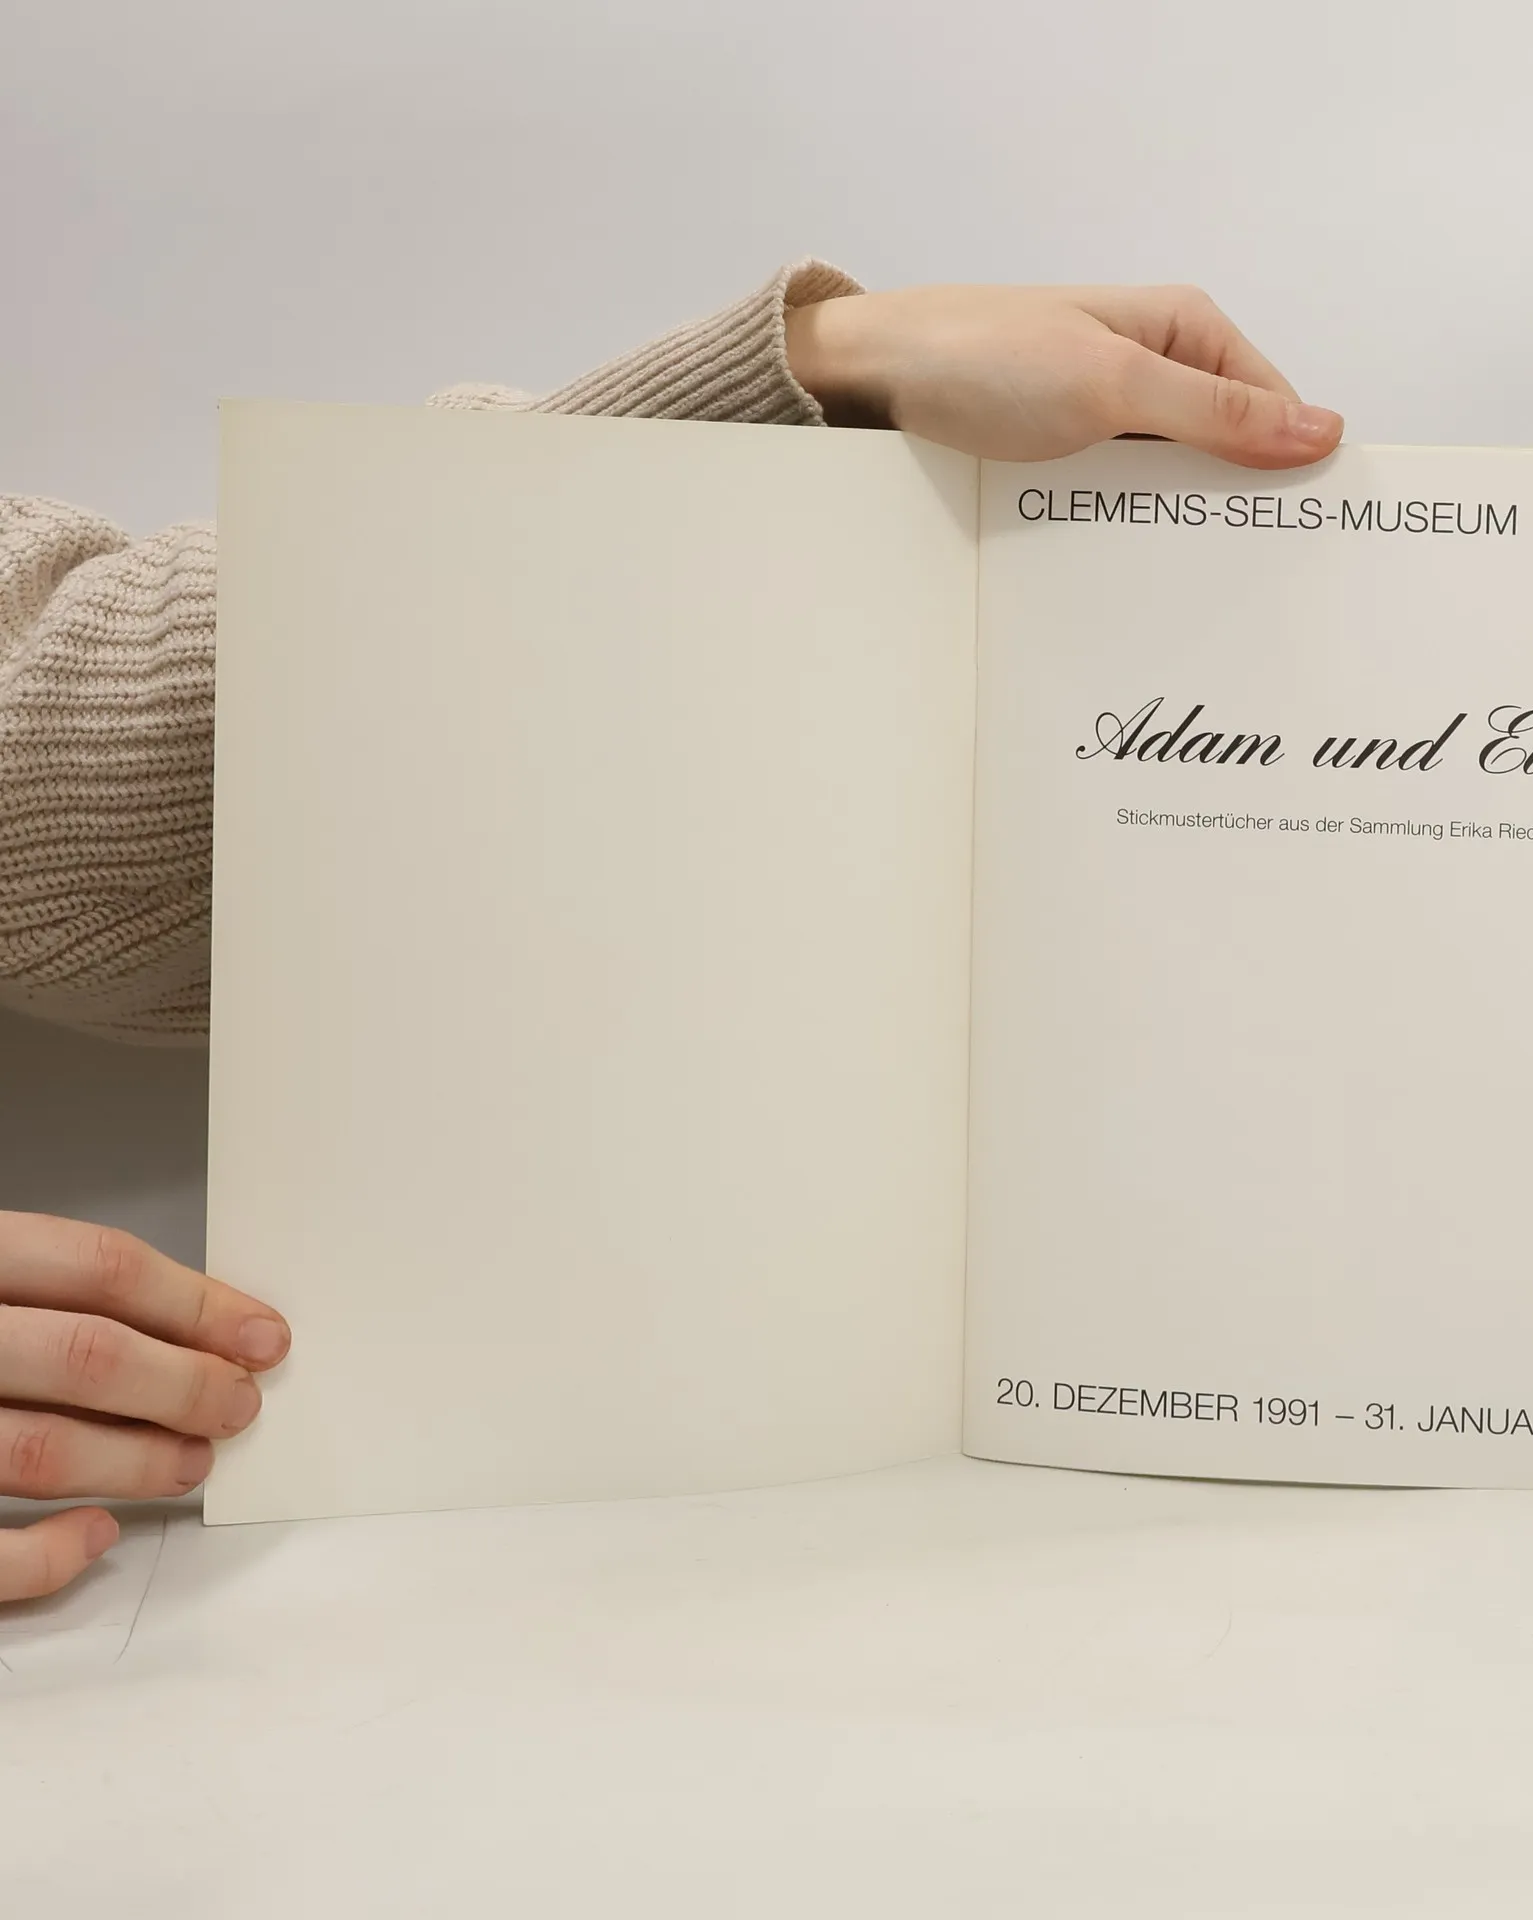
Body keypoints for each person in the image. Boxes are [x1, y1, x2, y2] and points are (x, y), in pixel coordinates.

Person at [0, 262, 1343, 1601]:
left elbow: (47, 748)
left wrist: (826, 367)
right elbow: (71, 796)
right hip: (483, 1559)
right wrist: (820, 365)